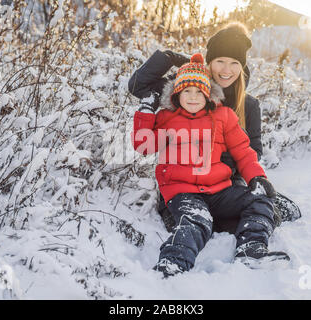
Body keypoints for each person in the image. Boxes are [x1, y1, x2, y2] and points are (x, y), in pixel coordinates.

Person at [128, 22, 301, 233]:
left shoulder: (248, 105)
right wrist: (172, 58)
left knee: (268, 212)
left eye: (234, 63)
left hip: (224, 184)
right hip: (183, 183)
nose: (226, 70)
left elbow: (252, 150)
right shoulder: (188, 88)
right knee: (201, 224)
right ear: (210, 61)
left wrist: (227, 165)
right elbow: (138, 84)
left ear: (242, 67)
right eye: (219, 61)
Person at [132, 53, 289, 277]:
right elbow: (143, 146)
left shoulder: (224, 116)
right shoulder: (167, 118)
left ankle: (251, 250)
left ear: (208, 94)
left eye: (199, 92)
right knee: (196, 220)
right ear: (177, 93)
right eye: (187, 91)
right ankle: (173, 262)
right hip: (182, 191)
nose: (193, 97)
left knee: (259, 201)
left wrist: (257, 177)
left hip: (220, 189)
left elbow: (243, 151)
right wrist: (146, 112)